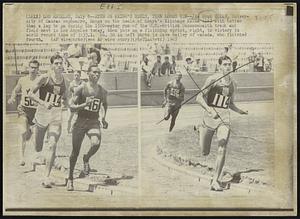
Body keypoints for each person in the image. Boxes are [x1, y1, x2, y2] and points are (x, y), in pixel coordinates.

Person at [196, 55, 248, 191]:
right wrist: (209, 110)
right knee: (204, 151)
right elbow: (199, 97)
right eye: (224, 64)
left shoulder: (232, 84)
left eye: (229, 64)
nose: (227, 67)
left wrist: (240, 111)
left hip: (224, 118)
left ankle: (215, 180)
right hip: (209, 117)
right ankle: (199, 129)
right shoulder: (213, 79)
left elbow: (230, 103)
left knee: (222, 144)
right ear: (219, 66)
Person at [28, 54, 68, 188]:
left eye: (60, 63)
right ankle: (45, 155)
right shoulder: (44, 78)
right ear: (51, 65)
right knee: (38, 148)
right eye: (56, 63)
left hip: (56, 116)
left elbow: (65, 97)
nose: (59, 65)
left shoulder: (65, 81)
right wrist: (43, 103)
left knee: (52, 144)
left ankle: (46, 177)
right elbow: (30, 94)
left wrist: (64, 103)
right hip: (42, 113)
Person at [66, 65, 108, 191]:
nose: (97, 74)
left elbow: (105, 105)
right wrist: (84, 104)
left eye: (98, 72)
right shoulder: (81, 88)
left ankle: (86, 158)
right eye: (94, 72)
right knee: (75, 152)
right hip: (80, 121)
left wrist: (104, 118)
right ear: (88, 73)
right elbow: (71, 106)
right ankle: (70, 179)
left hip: (94, 121)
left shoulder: (102, 91)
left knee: (96, 143)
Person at [7, 60, 40, 166]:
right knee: (23, 132)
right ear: (28, 68)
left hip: (36, 111)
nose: (33, 70)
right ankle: (21, 157)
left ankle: (35, 156)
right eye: (32, 67)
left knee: (34, 135)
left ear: (38, 69)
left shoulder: (41, 81)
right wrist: (12, 97)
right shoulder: (22, 80)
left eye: (35, 68)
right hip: (24, 110)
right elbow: (15, 91)